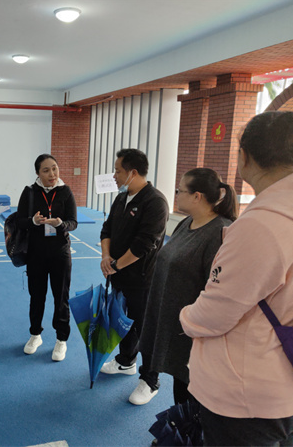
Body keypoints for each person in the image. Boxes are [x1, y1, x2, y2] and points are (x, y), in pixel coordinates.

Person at [180, 111, 293, 446]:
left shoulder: (261, 227)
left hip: (248, 394)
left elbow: (216, 313)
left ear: (244, 157)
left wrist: (185, 316)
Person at [135, 168, 238, 406]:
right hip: (172, 319)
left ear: (196, 197)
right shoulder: (186, 223)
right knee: (180, 386)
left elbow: (217, 291)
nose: (176, 195)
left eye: (179, 191)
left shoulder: (220, 233)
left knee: (190, 391)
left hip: (194, 330)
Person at [99, 149, 169, 400]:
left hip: (143, 280)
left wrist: (116, 265)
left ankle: (150, 380)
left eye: (118, 171)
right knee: (122, 320)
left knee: (146, 328)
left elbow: (144, 245)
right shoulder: (121, 198)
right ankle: (126, 361)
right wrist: (106, 258)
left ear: (133, 172)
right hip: (119, 275)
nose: (114, 176)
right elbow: (106, 229)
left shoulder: (155, 202)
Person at [16, 154, 77, 362]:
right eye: (46, 170)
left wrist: (61, 224)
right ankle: (35, 335)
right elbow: (19, 221)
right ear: (37, 173)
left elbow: (73, 222)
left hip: (60, 253)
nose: (52, 174)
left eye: (54, 168)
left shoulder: (66, 191)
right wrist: (33, 221)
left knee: (61, 297)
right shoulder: (29, 192)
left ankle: (61, 339)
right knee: (37, 296)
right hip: (36, 254)